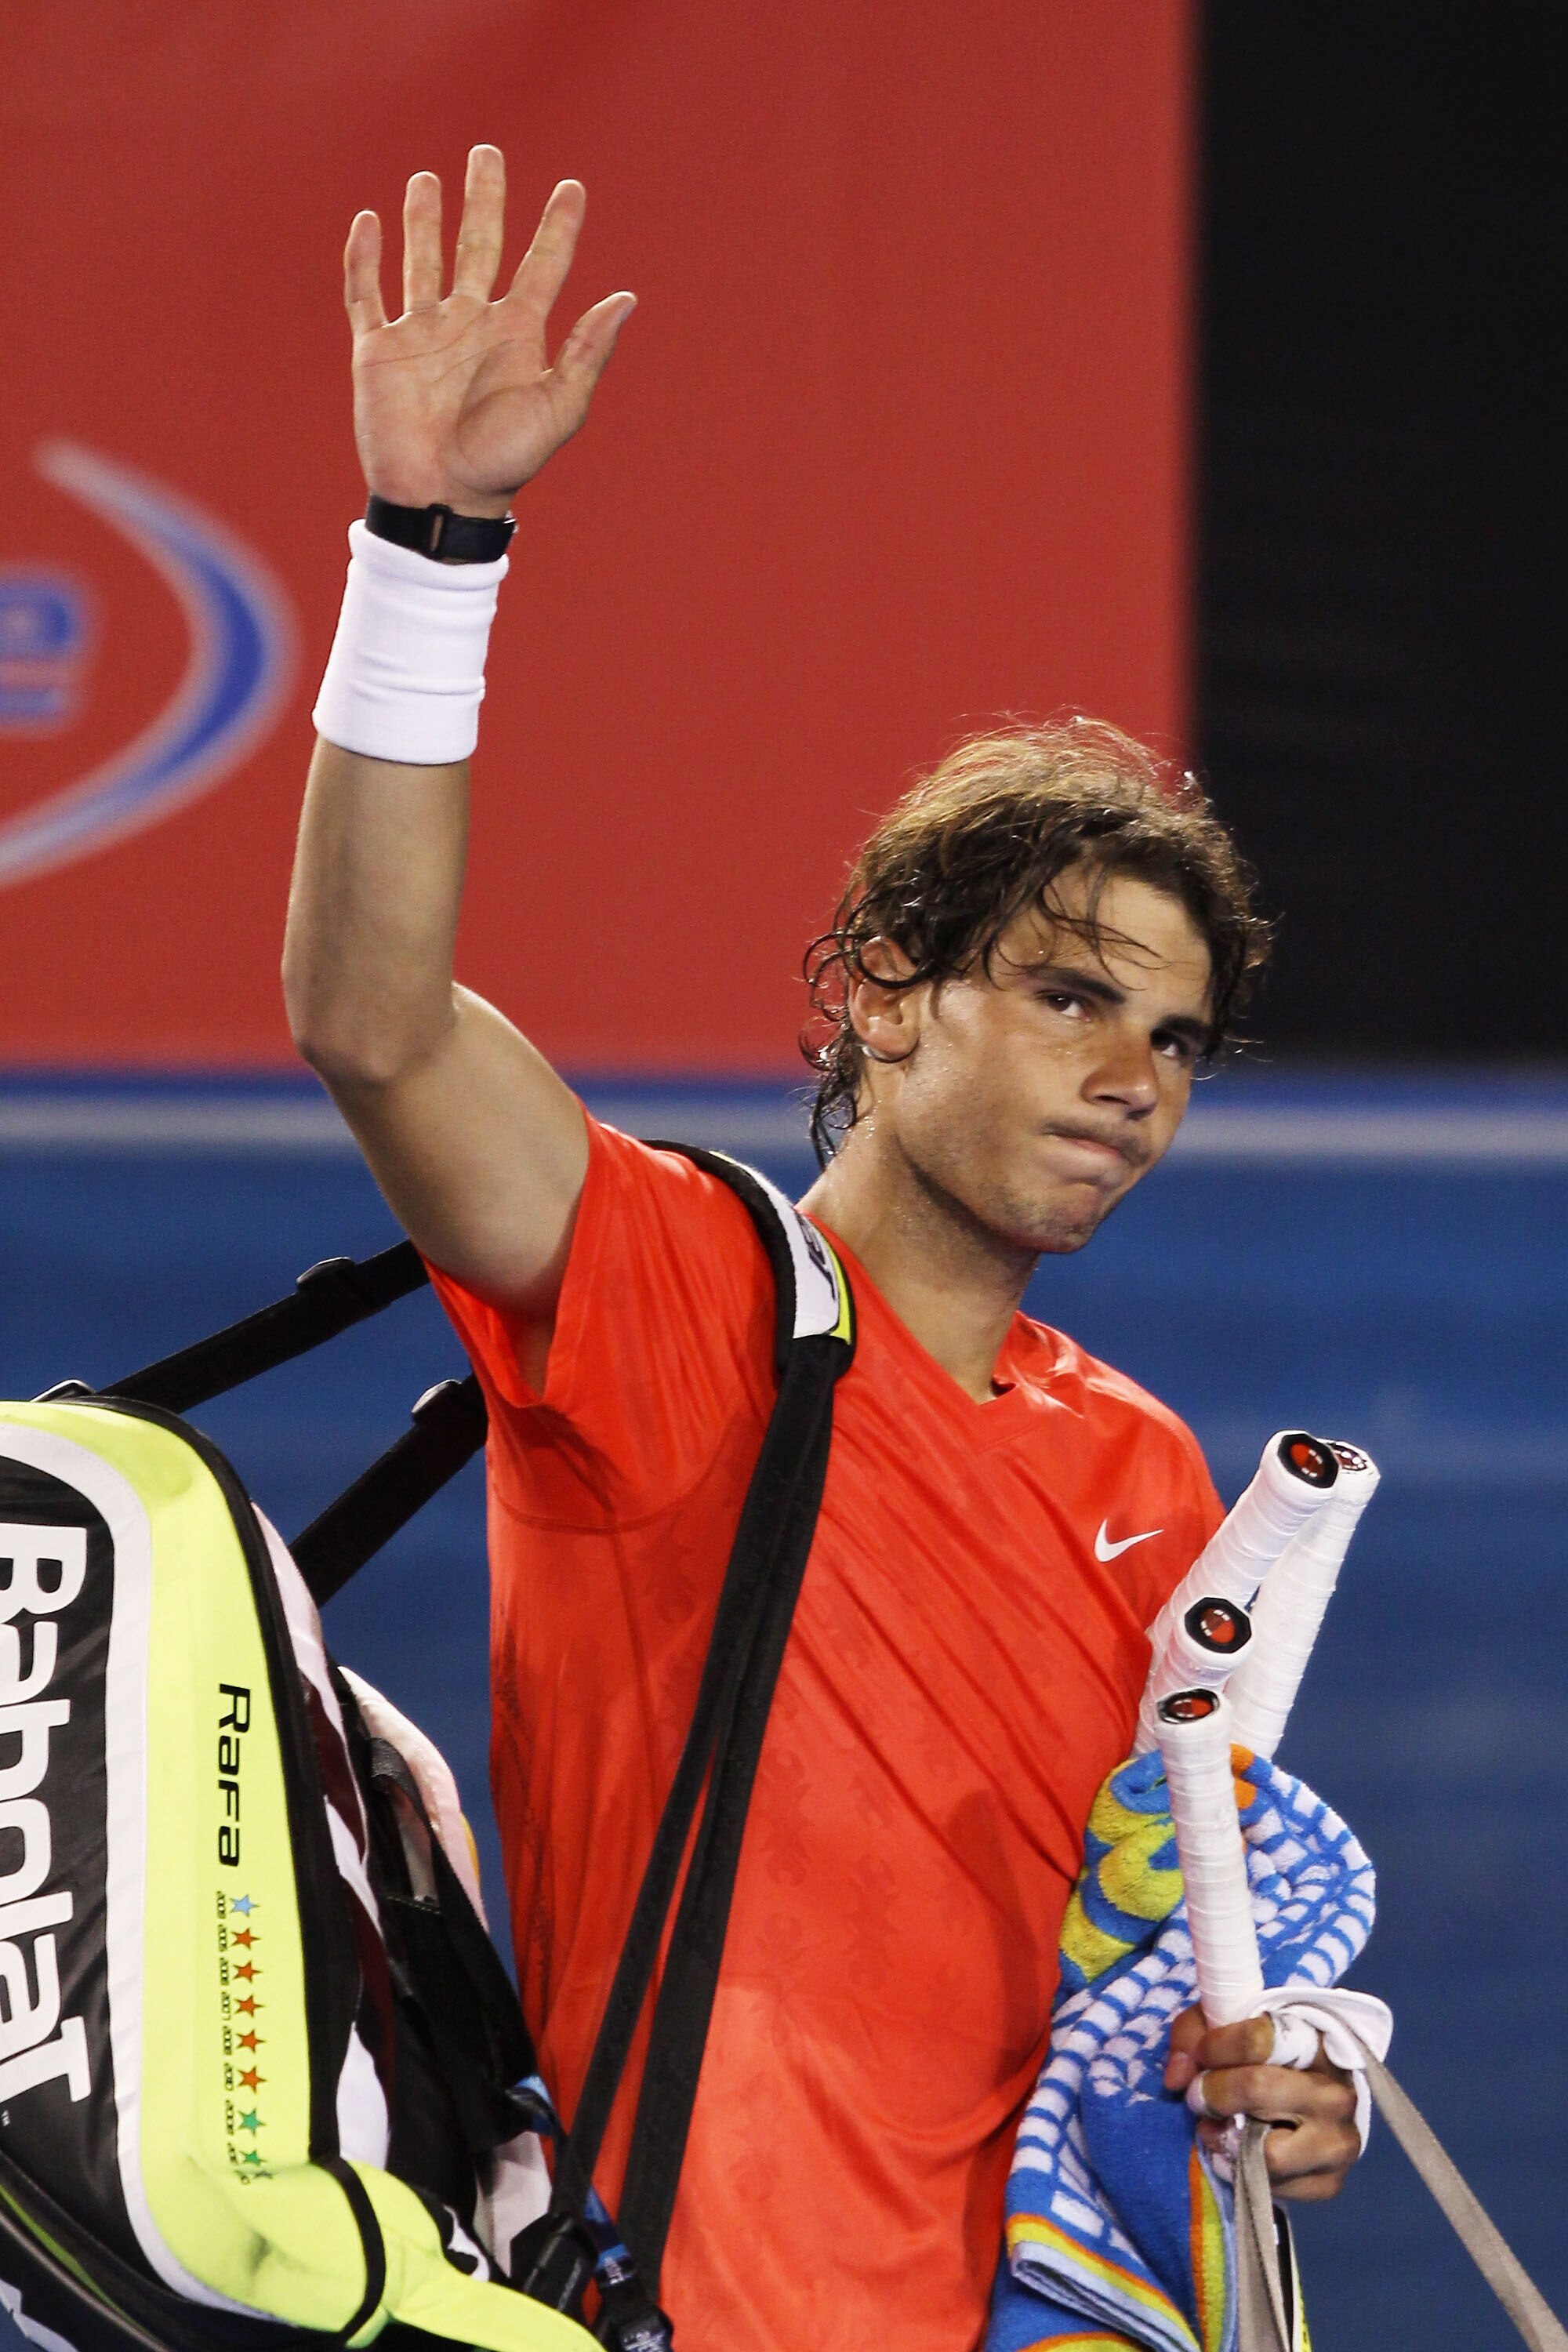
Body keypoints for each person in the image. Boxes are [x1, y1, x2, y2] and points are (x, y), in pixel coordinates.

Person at [284, 146, 1361, 2352]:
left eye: (1176, 1038)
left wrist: (1282, 2072)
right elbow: (373, 1023)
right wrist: (431, 547)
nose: (1133, 1075)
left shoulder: (1150, 1474)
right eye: (1070, 996)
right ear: (882, 991)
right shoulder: (662, 1284)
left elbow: (1128, 1982)